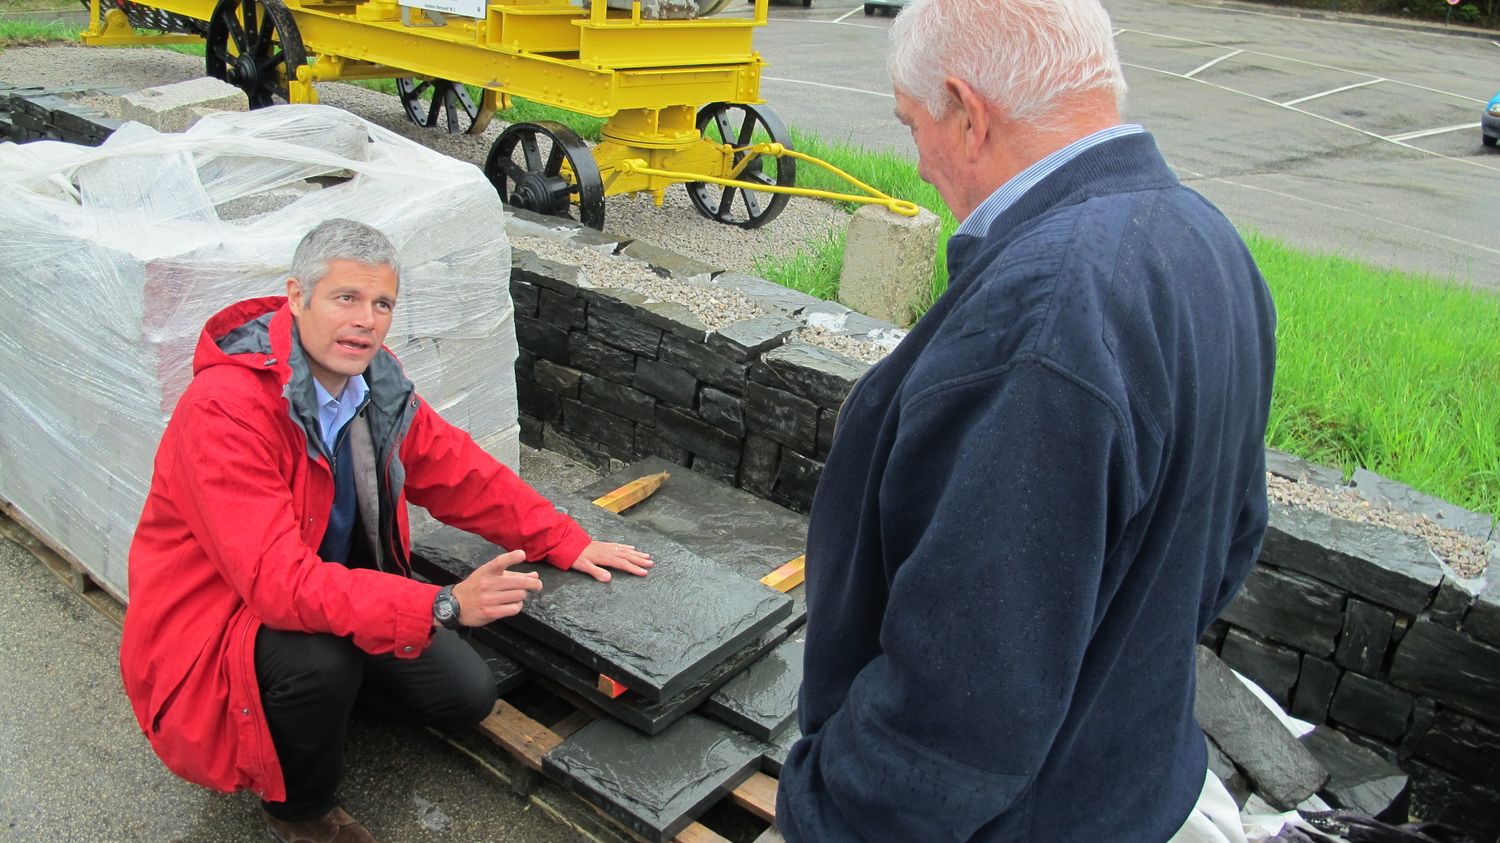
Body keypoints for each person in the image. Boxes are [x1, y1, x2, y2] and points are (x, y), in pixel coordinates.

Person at [776, 1, 1276, 841]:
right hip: (1126, 786)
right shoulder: (1207, 241)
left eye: (913, 124)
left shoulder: (1042, 321)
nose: (920, 161)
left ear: (968, 114)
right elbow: (1232, 539)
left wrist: (828, 813)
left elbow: (956, 703)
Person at [119, 219, 653, 843]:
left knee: (464, 696)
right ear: (297, 296)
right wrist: (445, 604)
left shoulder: (374, 385)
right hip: (224, 624)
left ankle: (308, 716)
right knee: (318, 665)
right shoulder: (226, 410)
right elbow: (277, 585)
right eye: (346, 298)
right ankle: (301, 811)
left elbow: (457, 470)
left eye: (382, 304)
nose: (366, 320)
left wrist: (563, 538)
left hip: (336, 593)